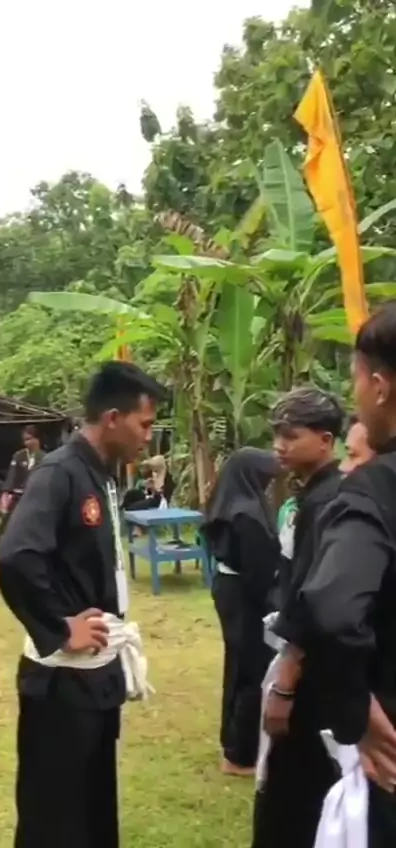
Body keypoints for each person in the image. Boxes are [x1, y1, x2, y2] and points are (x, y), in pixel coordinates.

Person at [0, 361, 166, 848]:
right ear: (112, 418)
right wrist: (59, 625)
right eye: (144, 424)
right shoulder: (60, 473)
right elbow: (16, 556)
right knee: (56, 814)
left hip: (96, 675)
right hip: (62, 683)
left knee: (93, 804)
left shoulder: (102, 474)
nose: (148, 437)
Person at [296, 304, 396, 845]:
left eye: (356, 380)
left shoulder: (375, 489)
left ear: (379, 387)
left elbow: (332, 610)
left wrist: (357, 709)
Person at [252, 387, 344, 848]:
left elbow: (315, 599)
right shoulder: (312, 496)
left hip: (311, 675)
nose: (279, 446)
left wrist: (286, 684)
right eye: (276, 435)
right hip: (307, 667)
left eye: (291, 436)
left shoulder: (329, 502)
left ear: (326, 440)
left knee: (294, 790)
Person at [203, 448, 281, 776]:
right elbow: (258, 572)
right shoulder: (247, 514)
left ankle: (233, 745)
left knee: (237, 666)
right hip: (244, 596)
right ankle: (240, 755)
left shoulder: (228, 505)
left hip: (229, 588)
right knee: (252, 670)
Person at [0, 426, 45, 563]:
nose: (26, 443)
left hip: (35, 497)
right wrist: (6, 493)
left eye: (29, 439)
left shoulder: (45, 458)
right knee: (6, 524)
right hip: (17, 496)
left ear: (37, 440)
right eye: (24, 440)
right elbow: (11, 476)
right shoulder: (19, 456)